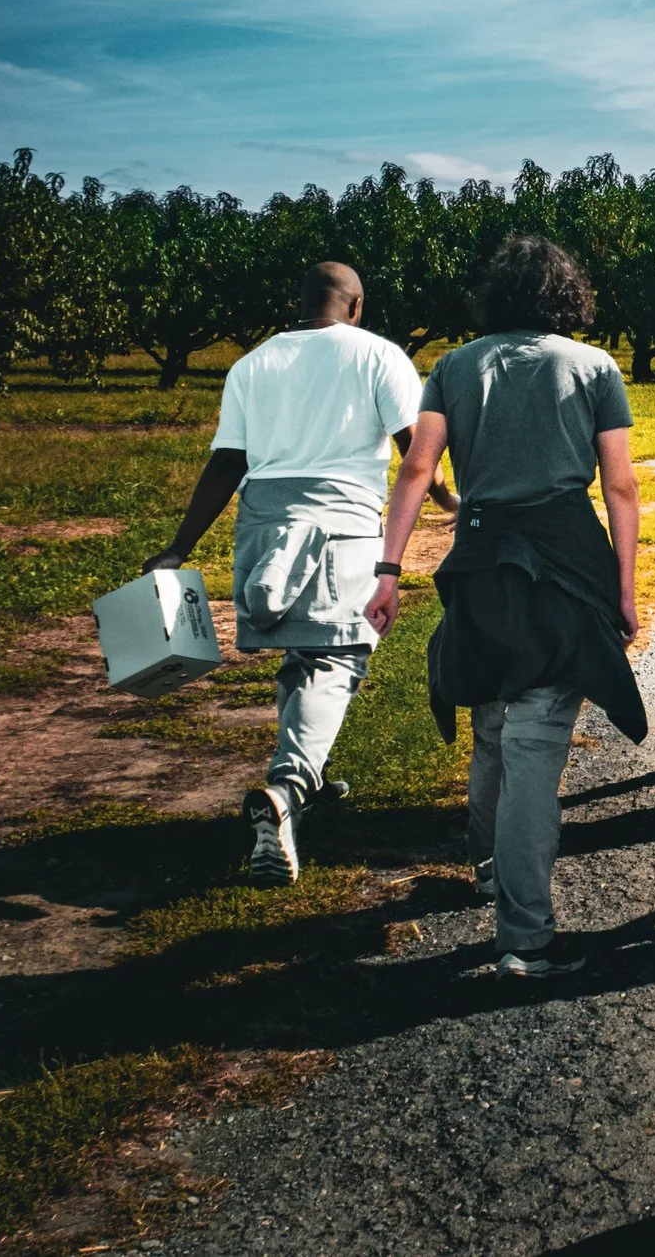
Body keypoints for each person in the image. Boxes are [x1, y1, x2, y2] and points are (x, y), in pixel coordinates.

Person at [370, 234, 647, 979]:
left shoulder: (454, 366)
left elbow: (418, 470)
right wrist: (624, 588)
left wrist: (389, 569)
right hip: (562, 563)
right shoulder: (593, 367)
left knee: (493, 721)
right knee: (533, 742)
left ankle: (489, 868)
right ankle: (523, 936)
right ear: (566, 294)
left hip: (480, 563)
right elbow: (620, 488)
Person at [147, 261, 454, 886]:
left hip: (263, 525)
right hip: (340, 527)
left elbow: (228, 462)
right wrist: (451, 502)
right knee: (337, 659)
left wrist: (178, 548)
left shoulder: (252, 364)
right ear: (357, 305)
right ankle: (285, 793)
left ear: (302, 301)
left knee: (300, 659)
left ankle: (305, 773)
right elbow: (413, 448)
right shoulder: (379, 356)